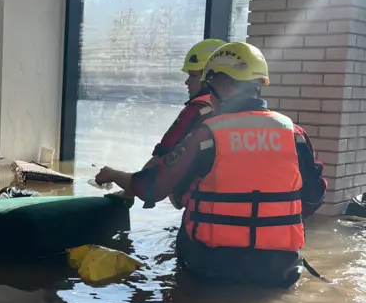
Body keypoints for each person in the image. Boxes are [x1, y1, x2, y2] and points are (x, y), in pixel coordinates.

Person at [95, 42, 326, 287]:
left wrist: (115, 175)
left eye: (209, 83)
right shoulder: (294, 134)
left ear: (221, 83)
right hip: (280, 269)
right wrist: (271, 230)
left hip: (211, 266)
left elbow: (153, 188)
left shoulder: (206, 136)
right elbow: (314, 197)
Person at [142, 38, 227, 168]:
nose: (187, 82)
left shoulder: (198, 109)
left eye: (193, 76)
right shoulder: (239, 115)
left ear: (210, 78)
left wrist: (120, 179)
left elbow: (158, 160)